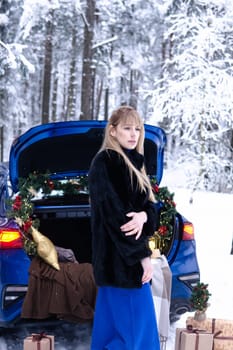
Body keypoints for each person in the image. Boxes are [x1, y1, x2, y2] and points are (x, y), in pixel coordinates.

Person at [88, 105, 160, 350]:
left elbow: (151, 208)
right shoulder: (106, 163)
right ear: (113, 131)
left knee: (114, 334)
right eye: (127, 128)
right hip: (122, 266)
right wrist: (142, 257)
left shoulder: (134, 163)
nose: (133, 134)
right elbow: (117, 219)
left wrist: (143, 216)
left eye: (137, 129)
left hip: (118, 267)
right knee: (136, 337)